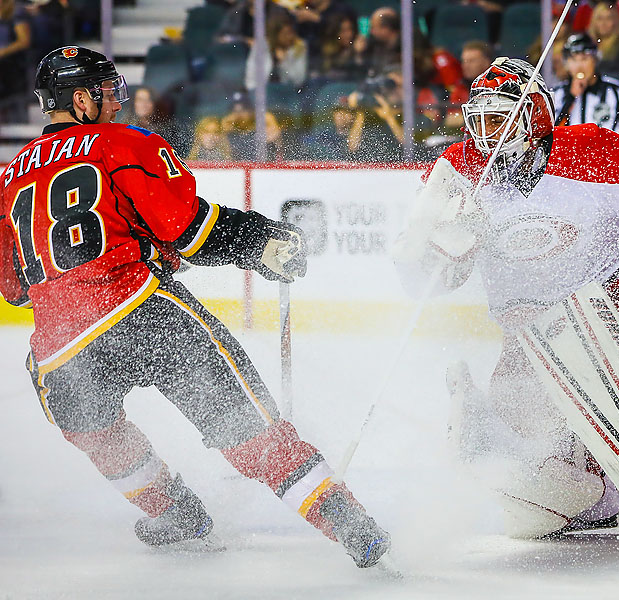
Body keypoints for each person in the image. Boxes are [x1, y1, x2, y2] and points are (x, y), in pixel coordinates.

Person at [0, 47, 391, 567]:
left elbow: (15, 287)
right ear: (80, 98)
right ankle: (348, 523)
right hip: (141, 316)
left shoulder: (8, 180)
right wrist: (256, 239)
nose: (115, 102)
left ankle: (175, 511)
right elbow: (190, 230)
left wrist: (129, 249)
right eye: (106, 92)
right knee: (247, 431)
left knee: (97, 433)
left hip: (59, 350)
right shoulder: (125, 143)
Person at [393, 57, 619, 573]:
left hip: (617, 306)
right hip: (532, 333)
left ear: (534, 117)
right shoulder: (457, 173)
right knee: (525, 472)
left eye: (499, 120)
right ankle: (572, 480)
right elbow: (417, 273)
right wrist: (441, 250)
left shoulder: (592, 153)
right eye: (478, 121)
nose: (485, 136)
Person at [553, 32, 619, 132]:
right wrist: (570, 99)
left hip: (608, 147)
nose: (579, 66)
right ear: (566, 64)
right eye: (574, 60)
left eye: (584, 59)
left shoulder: (617, 91)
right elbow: (549, 135)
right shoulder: (556, 94)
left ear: (595, 60)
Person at [244, 14, 309, 91]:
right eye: (285, 34)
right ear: (275, 34)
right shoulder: (261, 46)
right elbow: (251, 74)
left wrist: (284, 63)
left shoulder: (299, 47)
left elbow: (299, 80)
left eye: (291, 32)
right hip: (262, 92)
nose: (290, 37)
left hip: (289, 93)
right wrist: (254, 93)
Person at [0, 0, 31, 122]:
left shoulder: (16, 12)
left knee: (16, 110)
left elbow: (24, 41)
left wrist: (3, 52)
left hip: (13, 70)